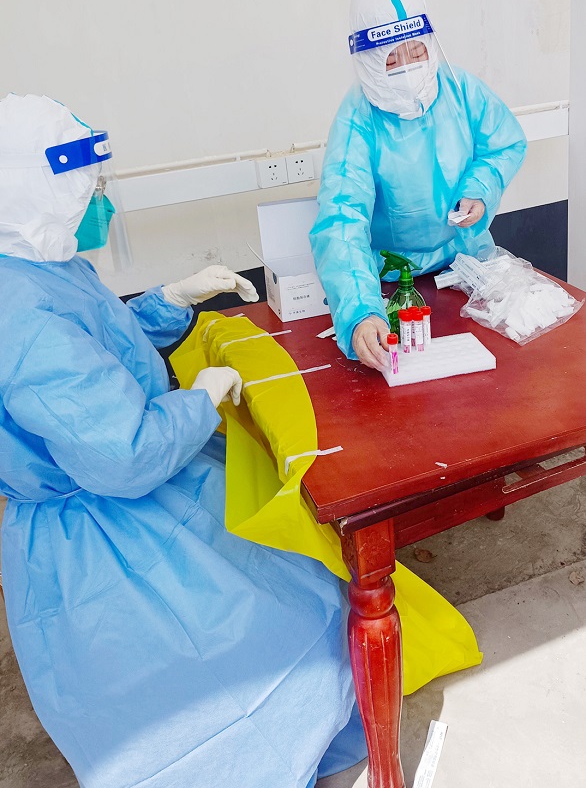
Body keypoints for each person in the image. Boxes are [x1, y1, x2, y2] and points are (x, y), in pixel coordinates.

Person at [0, 94, 367, 788]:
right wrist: (199, 400)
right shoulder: (22, 317)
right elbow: (124, 453)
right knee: (209, 686)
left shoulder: (41, 263)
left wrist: (169, 301)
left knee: (303, 593)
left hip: (139, 491)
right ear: (33, 193)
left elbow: (102, 350)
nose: (101, 203)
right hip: (105, 534)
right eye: (86, 190)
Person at [310, 0, 527, 371]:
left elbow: (505, 143)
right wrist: (361, 312)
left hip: (467, 266)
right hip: (392, 284)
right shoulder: (357, 121)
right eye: (392, 59)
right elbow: (342, 218)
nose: (408, 69)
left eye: (416, 52)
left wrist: (479, 189)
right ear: (368, 62)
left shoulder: (461, 89)